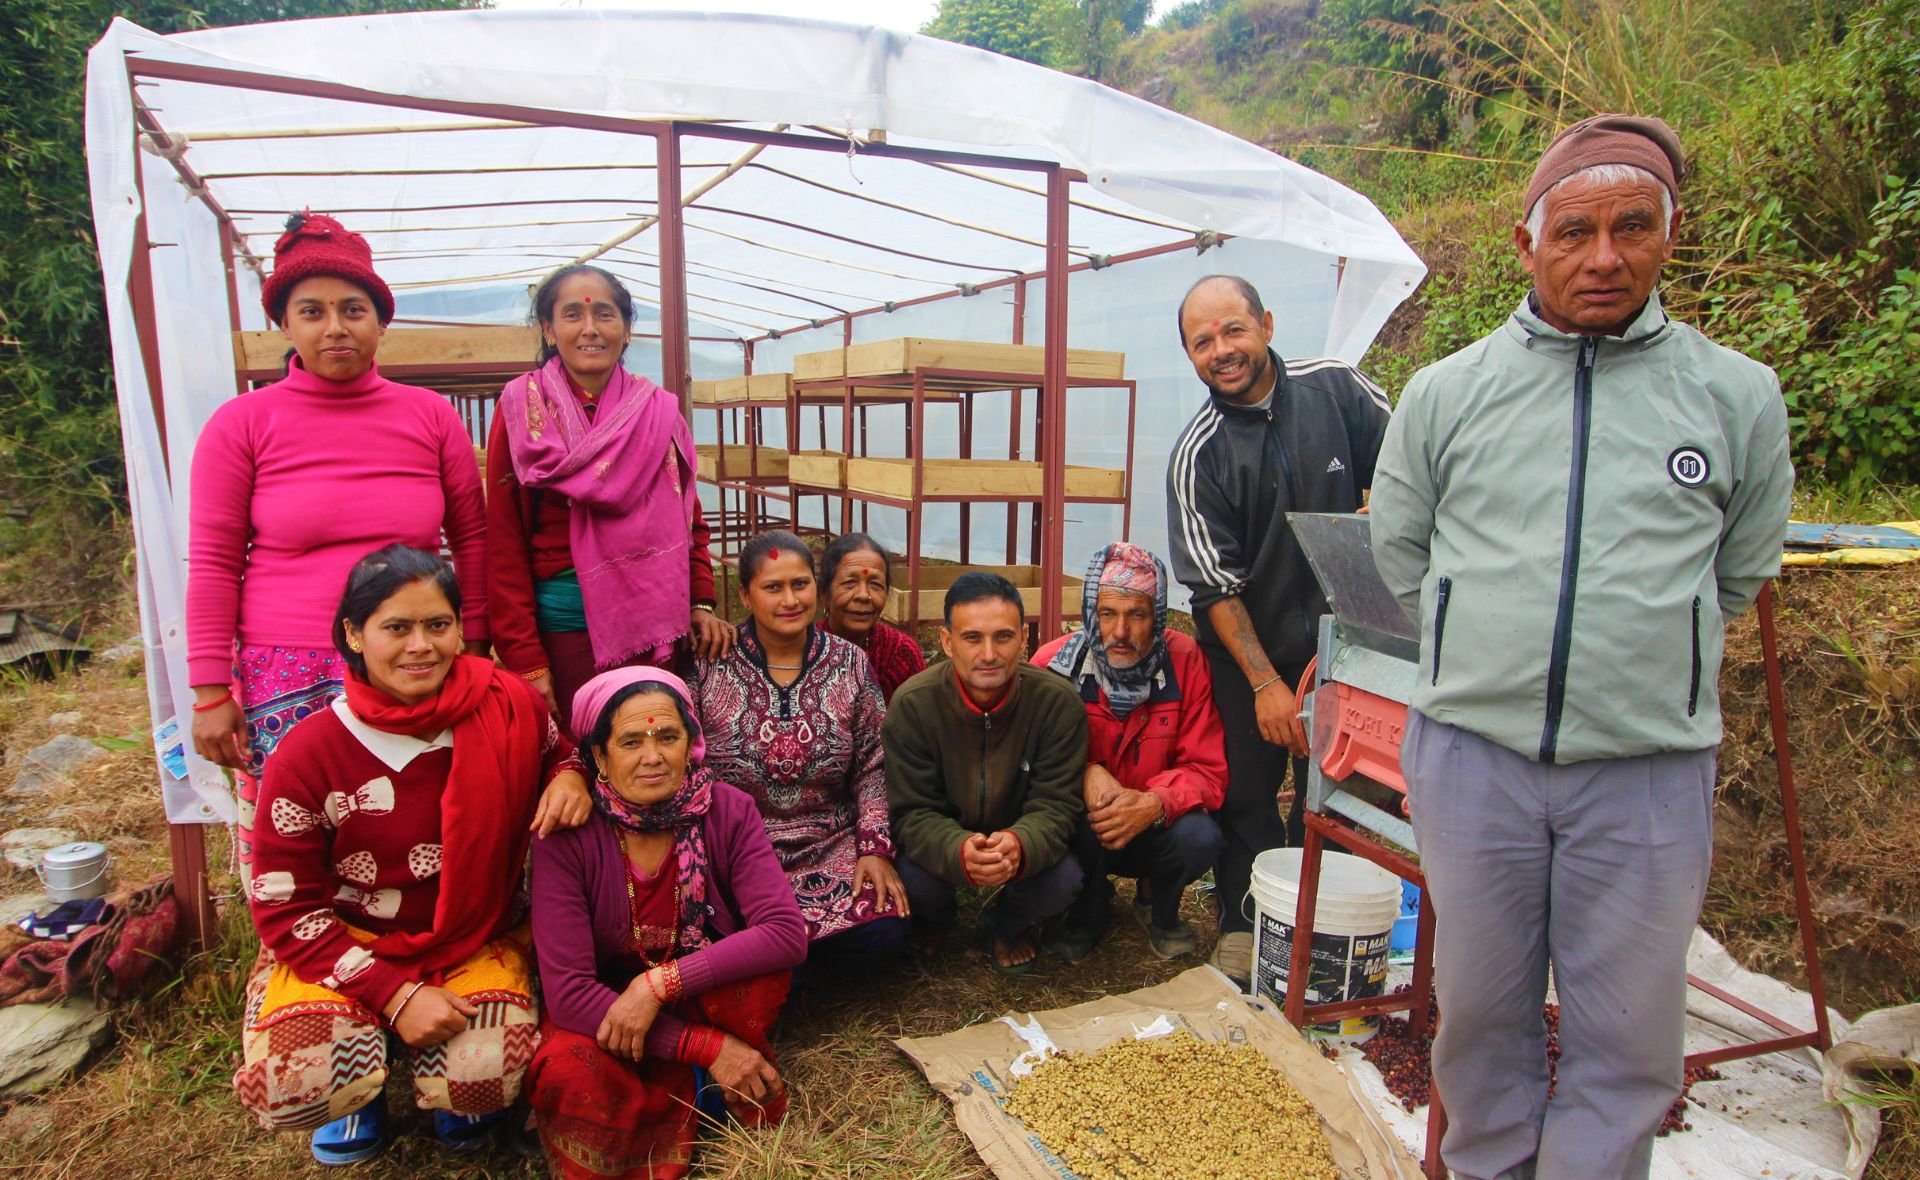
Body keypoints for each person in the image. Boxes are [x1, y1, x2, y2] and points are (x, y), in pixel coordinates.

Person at [1369, 115, 1793, 1180]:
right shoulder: (1448, 392)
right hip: (1476, 759)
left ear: (1669, 235)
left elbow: (1738, 569)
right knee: (1480, 1017)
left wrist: (1643, 654)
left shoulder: (1735, 395)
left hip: (1647, 768)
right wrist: (1489, 647)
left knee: (1630, 1037)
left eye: (1631, 228)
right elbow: (1404, 555)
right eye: (1574, 232)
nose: (1604, 257)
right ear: (1527, 244)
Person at [232, 545, 590, 1164]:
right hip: (350, 941)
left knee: (483, 1073)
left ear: (460, 627)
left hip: (471, 934)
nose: (421, 646)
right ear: (354, 634)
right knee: (298, 1083)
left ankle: (447, 1081)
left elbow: (563, 754)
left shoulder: (509, 704)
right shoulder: (309, 752)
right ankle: (363, 1079)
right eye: (397, 628)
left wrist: (570, 776)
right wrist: (395, 996)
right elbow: (286, 907)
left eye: (438, 625)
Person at [187, 212, 489, 879]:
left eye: (353, 309)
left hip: (410, 658)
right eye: (312, 311)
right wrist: (209, 691)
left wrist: (474, 647)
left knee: (413, 831)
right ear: (284, 325)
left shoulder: (430, 417)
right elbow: (212, 562)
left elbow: (472, 539)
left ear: (381, 322)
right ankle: (301, 942)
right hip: (285, 669)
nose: (335, 327)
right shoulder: (242, 424)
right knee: (297, 842)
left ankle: (419, 937)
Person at [1164, 274, 1392, 986]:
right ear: (1190, 356)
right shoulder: (1199, 455)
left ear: (1265, 323)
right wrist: (1266, 685)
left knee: (1344, 791)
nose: (1221, 351)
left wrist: (1387, 507)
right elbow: (1215, 586)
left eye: (1233, 329)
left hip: (1349, 647)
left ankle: (1326, 927)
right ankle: (1246, 922)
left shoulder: (1338, 389)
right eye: (1202, 342)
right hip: (1247, 655)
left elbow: (1413, 465)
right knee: (1249, 795)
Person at [526, 667, 808, 1179]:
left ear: (691, 744)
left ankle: (693, 1086)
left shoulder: (727, 810)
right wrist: (704, 1045)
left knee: (757, 978)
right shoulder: (567, 834)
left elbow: (785, 932)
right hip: (608, 1013)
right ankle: (703, 1078)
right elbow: (568, 993)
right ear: (598, 757)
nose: (653, 756)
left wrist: (659, 984)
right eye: (631, 741)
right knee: (569, 1068)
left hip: (696, 991)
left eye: (668, 737)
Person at [487, 264, 733, 726]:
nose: (590, 329)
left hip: (655, 628)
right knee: (578, 751)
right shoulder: (522, 410)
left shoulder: (658, 412)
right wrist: (526, 658)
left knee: (649, 745)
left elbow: (689, 521)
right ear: (548, 329)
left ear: (626, 329)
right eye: (572, 316)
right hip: (563, 635)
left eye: (604, 314)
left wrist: (700, 602)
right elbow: (504, 537)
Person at [689, 531, 909, 972]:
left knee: (884, 932)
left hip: (829, 842)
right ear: (746, 596)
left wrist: (874, 849)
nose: (790, 600)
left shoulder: (849, 663)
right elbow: (687, 763)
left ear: (816, 587)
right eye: (773, 587)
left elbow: (873, 763)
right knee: (724, 925)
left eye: (800, 584)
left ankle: (779, 960)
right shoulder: (710, 663)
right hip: (739, 850)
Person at [882, 572, 1088, 973]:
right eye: (972, 638)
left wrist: (1020, 842)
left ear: (1024, 639)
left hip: (1019, 835)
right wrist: (957, 849)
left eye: (1004, 637)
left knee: (1064, 879)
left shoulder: (1057, 704)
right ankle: (936, 921)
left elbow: (1057, 805)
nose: (989, 654)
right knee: (911, 877)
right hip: (946, 833)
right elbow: (911, 811)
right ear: (947, 642)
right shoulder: (913, 705)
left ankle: (1008, 925)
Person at [1033, 543, 1227, 963]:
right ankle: (1086, 912)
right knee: (1077, 818)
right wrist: (1084, 772)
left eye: (1136, 615)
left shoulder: (1185, 661)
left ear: (1158, 616)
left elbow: (1207, 769)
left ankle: (1159, 908)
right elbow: (1028, 761)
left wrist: (1156, 802)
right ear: (1090, 613)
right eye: (1107, 614)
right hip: (1087, 824)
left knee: (1200, 836)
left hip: (1154, 822)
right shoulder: (1053, 666)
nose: (1120, 632)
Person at [817, 532, 927, 702]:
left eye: (875, 584)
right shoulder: (802, 651)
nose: (863, 595)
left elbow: (920, 713)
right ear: (824, 594)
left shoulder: (901, 653)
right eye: (849, 583)